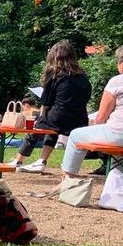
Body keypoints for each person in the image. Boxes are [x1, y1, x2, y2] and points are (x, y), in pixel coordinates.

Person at [59, 42, 123, 182]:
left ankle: (68, 179)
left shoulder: (117, 81)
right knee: (118, 145)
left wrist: (96, 135)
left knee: (75, 135)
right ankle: (116, 181)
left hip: (121, 135)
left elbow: (101, 117)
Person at [10, 41, 91, 173]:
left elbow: (46, 101)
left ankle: (18, 160)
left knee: (38, 127)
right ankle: (41, 161)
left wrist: (42, 117)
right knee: (51, 126)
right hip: (79, 119)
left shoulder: (54, 74)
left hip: (59, 115)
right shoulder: (82, 77)